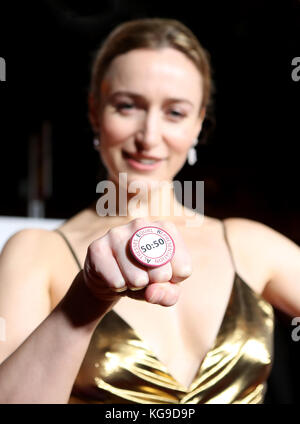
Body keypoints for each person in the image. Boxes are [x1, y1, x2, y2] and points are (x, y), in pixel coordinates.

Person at [0, 17, 299, 405]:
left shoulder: (249, 244)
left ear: (197, 124)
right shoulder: (35, 252)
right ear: (95, 112)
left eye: (175, 113)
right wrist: (85, 302)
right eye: (127, 106)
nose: (149, 137)